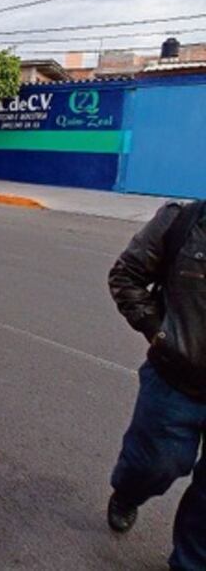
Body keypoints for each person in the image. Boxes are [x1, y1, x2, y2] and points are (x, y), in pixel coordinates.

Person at [107, 199, 206, 570]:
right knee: (153, 467)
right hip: (175, 382)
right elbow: (126, 275)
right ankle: (128, 492)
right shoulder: (182, 222)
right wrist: (160, 335)